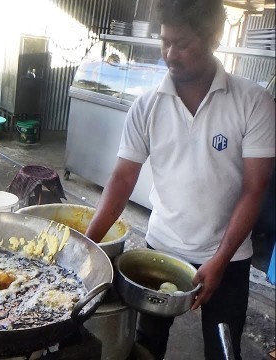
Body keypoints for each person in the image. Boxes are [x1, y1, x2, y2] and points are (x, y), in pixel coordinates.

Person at [84, 0, 275, 359]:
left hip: (228, 259)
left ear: (214, 38)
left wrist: (218, 260)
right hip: (160, 251)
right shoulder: (146, 105)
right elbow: (123, 179)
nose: (170, 54)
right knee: (145, 346)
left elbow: (255, 189)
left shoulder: (253, 102)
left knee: (223, 350)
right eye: (164, 42)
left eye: (183, 44)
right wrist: (86, 246)